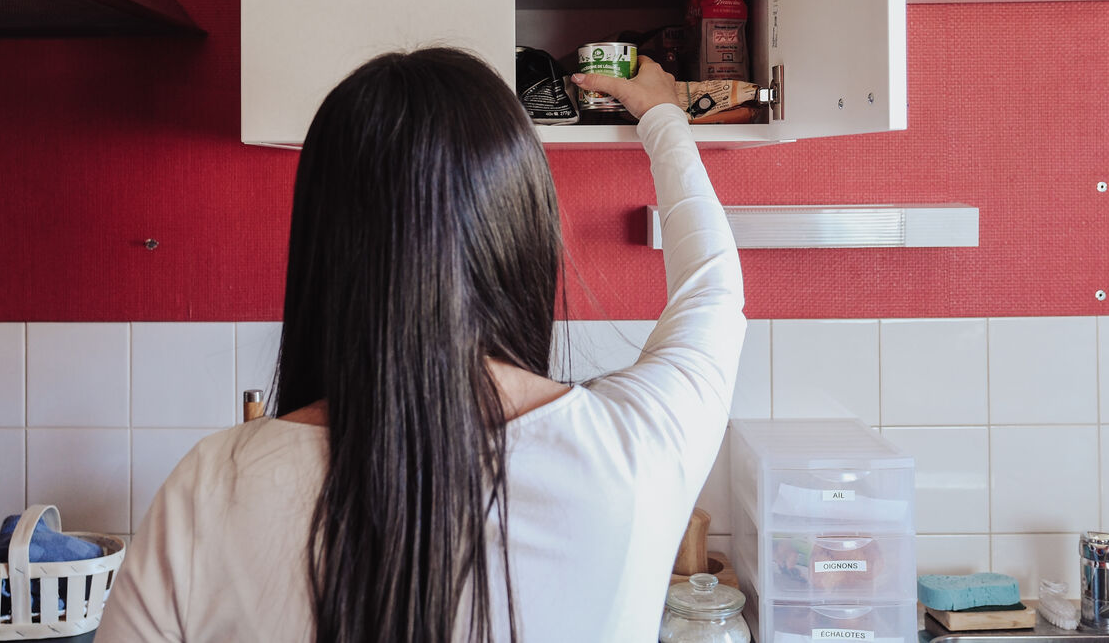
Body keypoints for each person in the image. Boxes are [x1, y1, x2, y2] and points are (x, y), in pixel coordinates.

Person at [100, 47, 745, 642]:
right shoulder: (640, 449)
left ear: (324, 248)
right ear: (524, 232)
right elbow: (712, 288)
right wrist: (662, 114)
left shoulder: (211, 489)